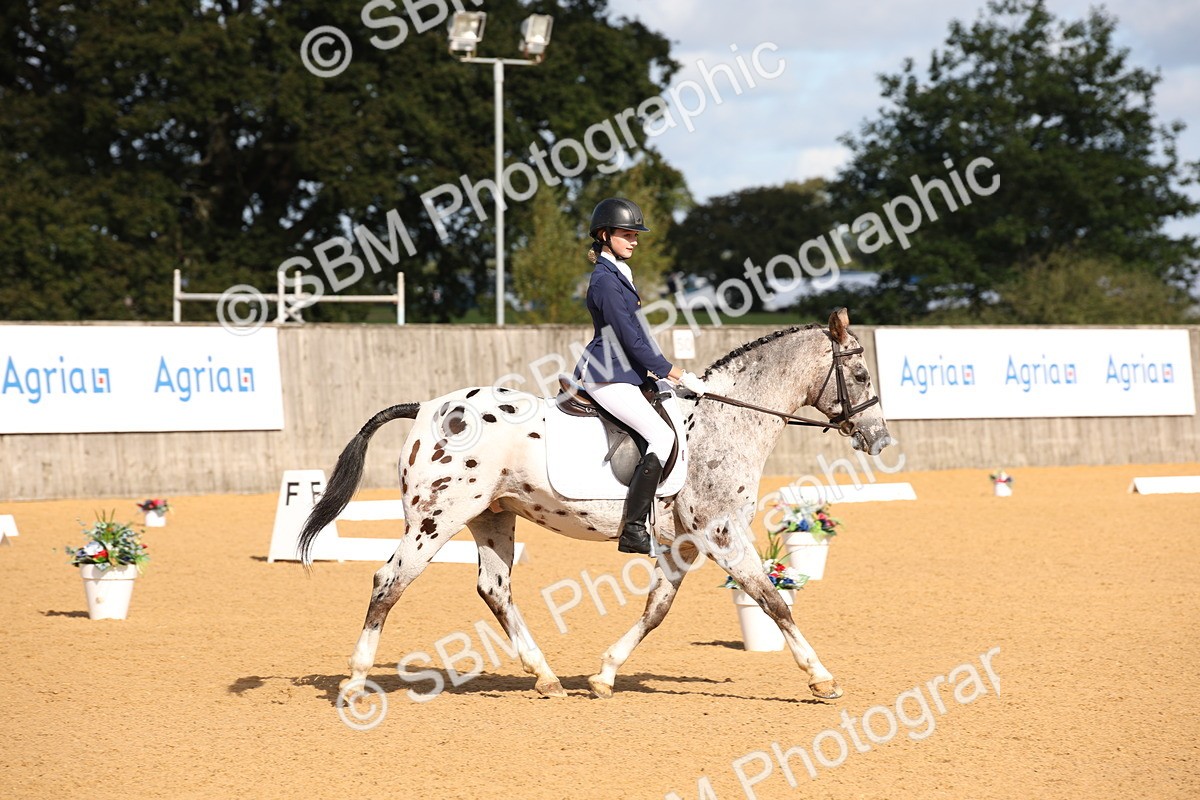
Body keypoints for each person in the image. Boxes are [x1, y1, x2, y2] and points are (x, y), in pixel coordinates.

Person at [573, 197, 707, 554]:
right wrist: (675, 372)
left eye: (636, 234)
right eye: (626, 234)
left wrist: (664, 372)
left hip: (625, 370)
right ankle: (633, 530)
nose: (634, 240)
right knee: (662, 438)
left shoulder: (619, 274)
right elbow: (629, 338)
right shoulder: (604, 280)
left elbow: (638, 334)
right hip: (607, 374)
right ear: (604, 235)